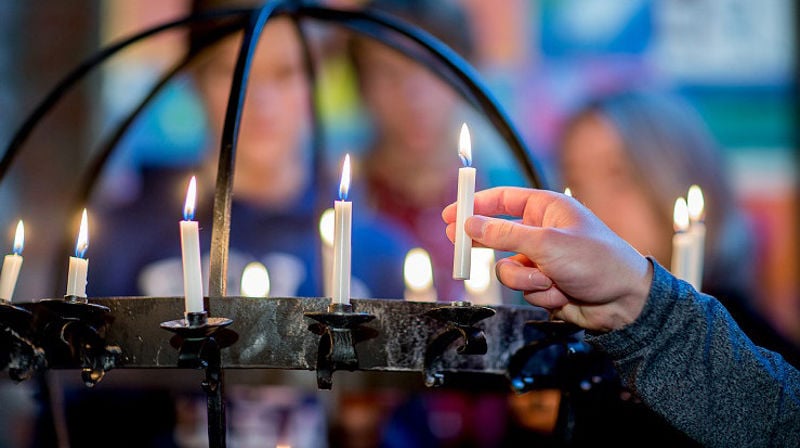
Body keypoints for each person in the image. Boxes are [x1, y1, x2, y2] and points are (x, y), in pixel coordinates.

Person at [442, 186, 800, 446]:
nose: (590, 205)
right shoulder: (571, 336)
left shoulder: (747, 334)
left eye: (615, 175)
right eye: (577, 172)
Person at [557, 91, 800, 367]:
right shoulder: (568, 345)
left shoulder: (749, 354)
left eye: (618, 175)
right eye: (575, 182)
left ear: (676, 180)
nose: (591, 205)